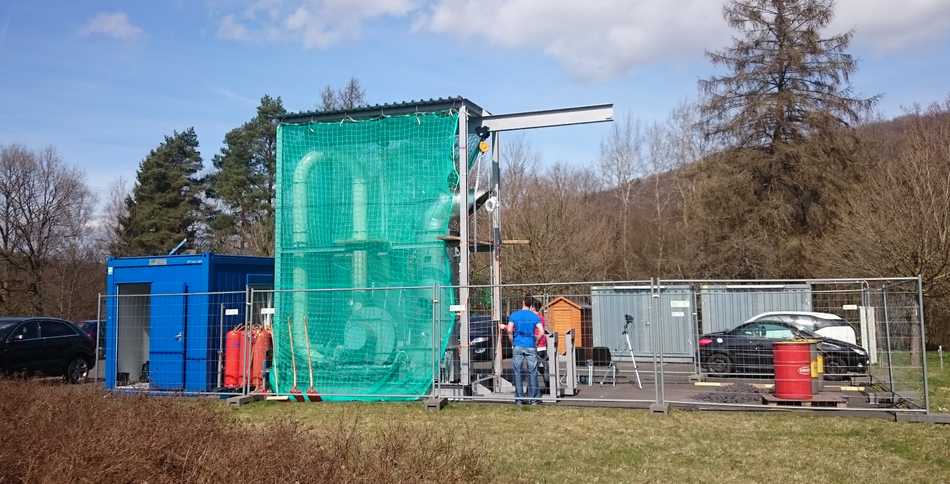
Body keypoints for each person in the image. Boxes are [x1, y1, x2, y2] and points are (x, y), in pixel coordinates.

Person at [507, 294, 544, 405]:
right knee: (532, 372)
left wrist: (512, 342)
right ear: (532, 304)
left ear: (523, 302)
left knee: (518, 372)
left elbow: (509, 330)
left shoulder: (514, 315)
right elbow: (541, 332)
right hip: (531, 345)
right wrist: (536, 341)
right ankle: (534, 399)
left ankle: (519, 399)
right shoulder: (535, 317)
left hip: (518, 344)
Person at [532, 299, 551, 393]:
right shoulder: (541, 317)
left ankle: (532, 389)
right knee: (541, 367)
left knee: (535, 367)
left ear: (533, 307)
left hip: (537, 344)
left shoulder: (534, 318)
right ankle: (548, 384)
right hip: (542, 344)